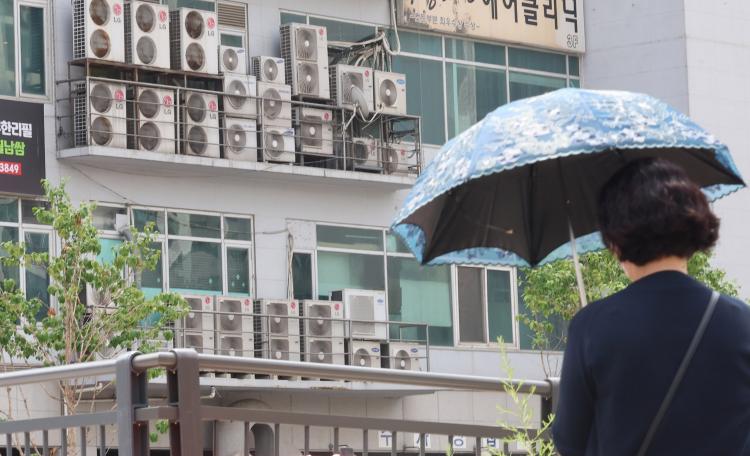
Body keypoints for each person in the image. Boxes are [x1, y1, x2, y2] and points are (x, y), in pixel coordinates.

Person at [552, 157, 750, 455]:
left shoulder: (591, 326)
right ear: (695, 227)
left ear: (615, 242)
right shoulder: (741, 322)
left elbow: (569, 441)